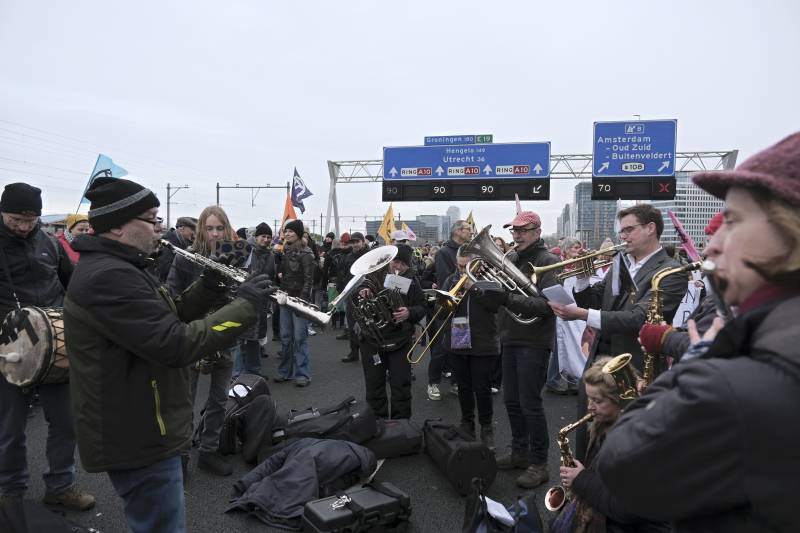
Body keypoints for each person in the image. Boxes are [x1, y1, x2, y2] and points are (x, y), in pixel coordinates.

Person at [597, 132, 800, 532]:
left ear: (789, 233)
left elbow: (620, 465)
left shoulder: (735, 380)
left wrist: (696, 362)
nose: (711, 247)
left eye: (735, 222)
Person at [63, 177, 272, 532]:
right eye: (151, 219)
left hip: (145, 423)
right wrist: (246, 306)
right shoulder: (107, 276)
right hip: (138, 433)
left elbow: (168, 313)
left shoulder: (125, 266)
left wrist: (208, 285)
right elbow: (175, 344)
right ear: (117, 226)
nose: (159, 228)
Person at [548, 204, 687, 461]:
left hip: (632, 367)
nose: (623, 236)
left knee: (623, 443)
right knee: (589, 435)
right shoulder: (620, 263)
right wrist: (583, 277)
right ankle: (583, 490)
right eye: (621, 231)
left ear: (650, 228)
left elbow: (637, 320)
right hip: (599, 361)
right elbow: (596, 298)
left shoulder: (671, 271)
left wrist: (580, 315)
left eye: (629, 230)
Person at [0, 183, 94, 511]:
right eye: (15, 220)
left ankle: (61, 485)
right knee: (9, 428)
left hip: (57, 347)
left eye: (30, 220)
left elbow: (74, 283)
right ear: (3, 212)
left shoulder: (49, 243)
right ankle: (10, 492)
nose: (24, 227)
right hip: (10, 350)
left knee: (66, 422)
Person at [553, 357, 669, 533]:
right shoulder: (603, 424)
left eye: (597, 401)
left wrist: (581, 479)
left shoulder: (635, 441)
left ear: (619, 401)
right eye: (588, 399)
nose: (590, 407)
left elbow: (625, 510)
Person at [167, 205, 242, 477]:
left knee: (220, 399)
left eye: (219, 228)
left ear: (226, 229)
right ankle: (182, 456)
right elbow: (173, 295)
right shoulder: (186, 258)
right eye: (209, 228)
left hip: (225, 334)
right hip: (194, 335)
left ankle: (209, 451)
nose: (214, 233)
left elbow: (242, 296)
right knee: (185, 401)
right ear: (201, 229)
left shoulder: (237, 256)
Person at [495, 210, 560, 489]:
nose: (516, 235)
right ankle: (519, 452)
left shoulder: (548, 261)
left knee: (530, 404)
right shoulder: (512, 259)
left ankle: (539, 463)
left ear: (537, 231)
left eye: (522, 231)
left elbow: (549, 306)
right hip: (511, 337)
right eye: (514, 231)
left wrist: (506, 298)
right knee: (511, 401)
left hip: (534, 341)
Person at [440, 247, 506, 449]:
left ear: (475, 264)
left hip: (483, 342)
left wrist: (474, 288)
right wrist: (443, 300)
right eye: (458, 266)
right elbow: (442, 312)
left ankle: (486, 427)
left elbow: (496, 305)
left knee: (482, 388)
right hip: (458, 340)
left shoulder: (491, 280)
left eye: (464, 266)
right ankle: (466, 423)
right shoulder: (451, 280)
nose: (460, 271)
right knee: (463, 386)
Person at [355, 244, 425, 419]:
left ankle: (401, 425)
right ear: (389, 261)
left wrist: (409, 313)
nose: (398, 267)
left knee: (401, 384)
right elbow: (357, 290)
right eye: (396, 262)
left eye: (403, 264)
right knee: (374, 384)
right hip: (372, 339)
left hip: (400, 339)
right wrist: (363, 291)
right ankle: (376, 423)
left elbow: (422, 307)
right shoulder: (373, 275)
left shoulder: (413, 281)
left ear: (408, 265)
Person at [427, 220, 472, 400]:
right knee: (441, 349)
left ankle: (455, 382)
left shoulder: (470, 250)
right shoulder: (444, 252)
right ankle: (433, 383)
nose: (471, 232)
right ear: (458, 231)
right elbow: (446, 278)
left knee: (459, 347)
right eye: (468, 229)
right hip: (448, 306)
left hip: (465, 306)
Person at [233, 222, 276, 379]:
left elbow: (270, 276)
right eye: (263, 236)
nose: (266, 239)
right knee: (241, 338)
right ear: (256, 237)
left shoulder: (270, 255)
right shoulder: (245, 249)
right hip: (244, 299)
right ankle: (237, 373)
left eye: (269, 237)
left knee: (255, 338)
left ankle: (253, 372)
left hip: (261, 301)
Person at [274, 219, 315, 386]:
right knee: (285, 338)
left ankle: (303, 374)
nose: (287, 234)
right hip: (284, 298)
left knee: (299, 338)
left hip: (299, 301)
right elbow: (282, 275)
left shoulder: (307, 254)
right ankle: (285, 372)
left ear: (298, 234)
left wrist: (302, 303)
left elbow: (309, 280)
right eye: (286, 231)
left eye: (290, 231)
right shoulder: (284, 251)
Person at [340, 232, 369, 363]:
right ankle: (354, 352)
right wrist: (343, 290)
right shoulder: (349, 256)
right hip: (351, 293)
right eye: (353, 242)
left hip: (367, 293)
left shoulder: (370, 255)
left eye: (357, 241)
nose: (355, 244)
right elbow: (344, 274)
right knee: (352, 324)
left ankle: (369, 352)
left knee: (367, 324)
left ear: (363, 242)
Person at [156, 216, 197, 281]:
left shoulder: (186, 242)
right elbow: (165, 270)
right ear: (182, 228)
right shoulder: (167, 244)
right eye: (193, 230)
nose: (195, 234)